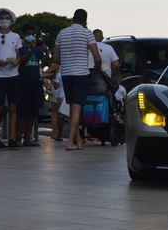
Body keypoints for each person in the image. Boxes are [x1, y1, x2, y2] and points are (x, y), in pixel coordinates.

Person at [54, 9, 102, 150]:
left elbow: (56, 58)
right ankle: (70, 142)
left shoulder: (61, 33)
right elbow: (96, 56)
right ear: (85, 20)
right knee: (76, 109)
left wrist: (67, 63)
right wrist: (97, 67)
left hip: (66, 74)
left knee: (72, 108)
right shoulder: (87, 33)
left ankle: (78, 139)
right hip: (81, 74)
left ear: (72, 18)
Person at [0, 8, 22, 150]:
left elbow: (18, 55)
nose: (4, 20)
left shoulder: (16, 37)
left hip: (13, 75)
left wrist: (16, 62)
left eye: (7, 18)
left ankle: (12, 138)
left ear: (11, 21)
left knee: (12, 107)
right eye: (2, 18)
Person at [15, 24, 50, 146]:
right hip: (23, 81)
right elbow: (22, 62)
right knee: (22, 112)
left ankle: (28, 140)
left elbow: (46, 63)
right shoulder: (20, 48)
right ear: (23, 35)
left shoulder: (38, 49)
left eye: (33, 34)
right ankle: (18, 139)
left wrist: (45, 50)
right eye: (28, 34)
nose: (31, 36)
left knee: (33, 113)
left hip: (36, 82)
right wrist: (30, 49)